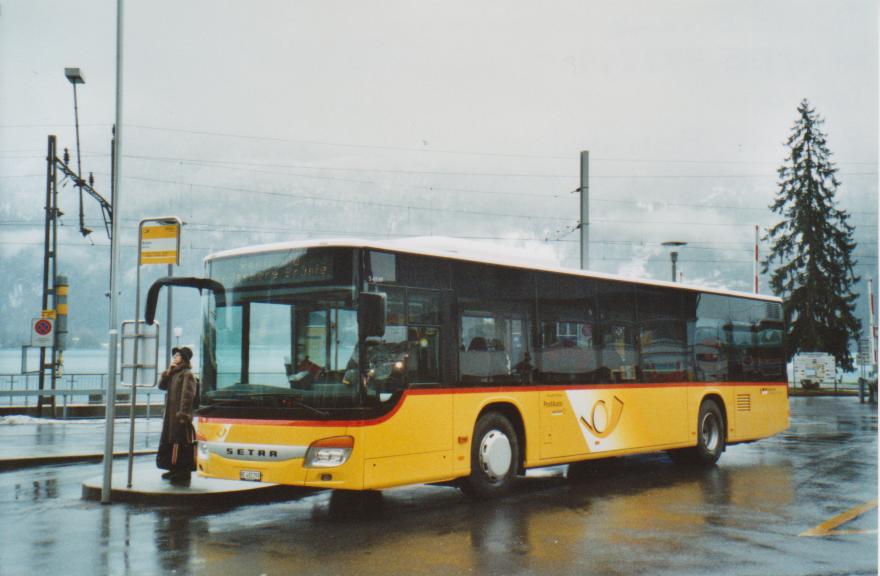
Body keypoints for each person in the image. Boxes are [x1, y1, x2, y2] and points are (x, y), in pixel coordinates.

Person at [157, 346, 198, 485]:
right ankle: (173, 468)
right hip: (171, 415)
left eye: (178, 355)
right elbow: (161, 386)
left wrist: (184, 414)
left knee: (181, 443)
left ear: (184, 358)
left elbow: (188, 396)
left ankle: (183, 471)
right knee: (171, 441)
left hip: (179, 416)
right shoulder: (174, 373)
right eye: (174, 355)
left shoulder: (187, 374)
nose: (174, 357)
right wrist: (167, 372)